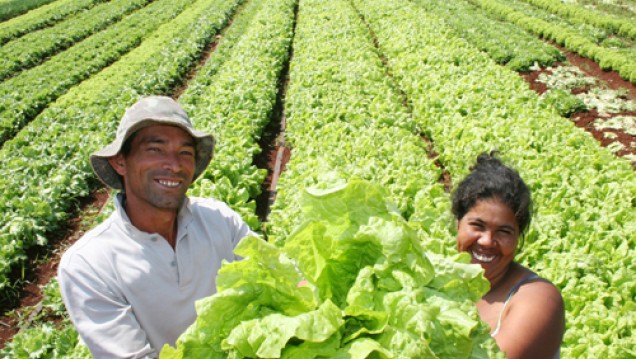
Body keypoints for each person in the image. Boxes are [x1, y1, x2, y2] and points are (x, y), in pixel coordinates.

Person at [57, 96, 255, 358]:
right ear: (120, 162)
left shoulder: (220, 219)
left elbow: (280, 276)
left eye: (185, 153)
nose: (174, 165)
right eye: (155, 149)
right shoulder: (89, 264)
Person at [452, 152, 565, 359]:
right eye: (477, 225)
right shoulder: (442, 282)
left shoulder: (538, 298)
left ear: (518, 236)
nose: (487, 241)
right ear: (458, 223)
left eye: (504, 231)